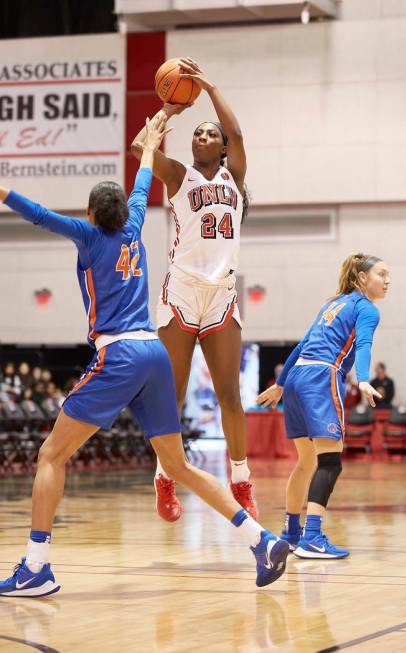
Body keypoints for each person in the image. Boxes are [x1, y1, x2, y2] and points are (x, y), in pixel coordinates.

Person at [0, 115, 288, 598]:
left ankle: (36, 566)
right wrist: (152, 143)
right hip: (154, 353)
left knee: (51, 454)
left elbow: (37, 213)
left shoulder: (87, 234)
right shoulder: (134, 224)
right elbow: (140, 184)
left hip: (119, 354)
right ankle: (260, 541)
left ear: (91, 214)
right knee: (178, 465)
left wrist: (5, 191)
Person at [131, 57, 257, 523]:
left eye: (210, 134)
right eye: (197, 133)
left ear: (222, 147)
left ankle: (241, 481)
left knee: (229, 394)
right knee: (174, 393)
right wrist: (171, 111)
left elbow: (239, 135)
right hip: (181, 292)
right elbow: (138, 146)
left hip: (221, 293)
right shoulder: (179, 176)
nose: (203, 137)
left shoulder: (234, 178)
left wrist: (209, 88)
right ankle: (165, 476)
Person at [257, 253, 390, 559]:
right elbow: (364, 344)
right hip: (321, 375)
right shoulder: (366, 308)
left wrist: (280, 384)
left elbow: (302, 345)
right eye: (381, 274)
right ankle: (313, 537)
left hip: (297, 378)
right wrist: (365, 379)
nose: (387, 280)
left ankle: (291, 534)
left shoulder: (332, 304)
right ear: (361, 278)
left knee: (307, 462)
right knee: (330, 462)